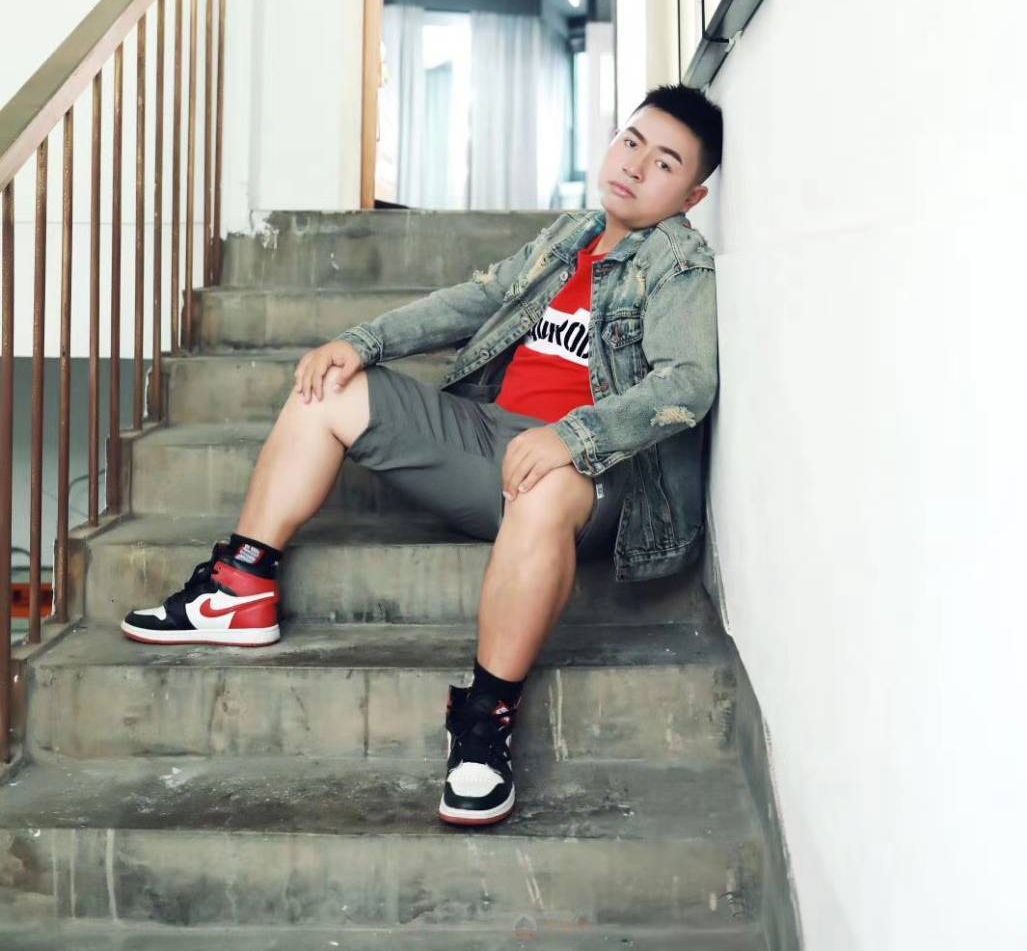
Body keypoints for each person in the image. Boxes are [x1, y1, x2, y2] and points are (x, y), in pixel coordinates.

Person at [120, 82, 723, 827]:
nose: (634, 165)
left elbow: (686, 383)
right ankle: (241, 584)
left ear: (691, 196)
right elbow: (476, 298)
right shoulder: (573, 234)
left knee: (544, 488)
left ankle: (484, 723)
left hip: (588, 474)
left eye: (663, 163)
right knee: (332, 385)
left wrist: (573, 436)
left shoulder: (678, 262)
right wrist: (361, 342)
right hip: (491, 440)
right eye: (630, 142)